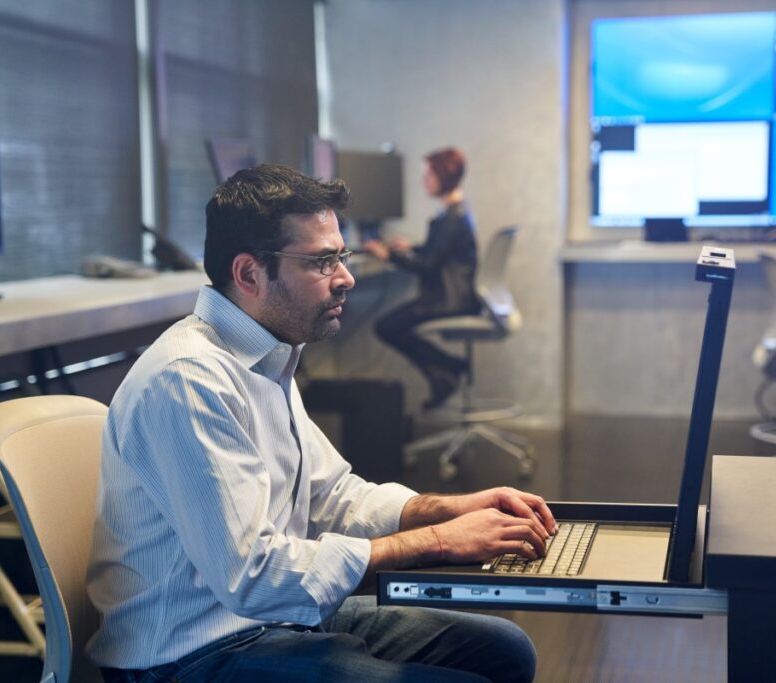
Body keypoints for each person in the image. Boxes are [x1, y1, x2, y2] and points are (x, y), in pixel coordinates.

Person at [86, 164, 556, 683]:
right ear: (249, 275)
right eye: (322, 261)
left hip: (272, 618)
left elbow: (332, 495)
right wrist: (437, 542)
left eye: (341, 256)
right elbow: (255, 575)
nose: (346, 278)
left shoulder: (269, 352)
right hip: (192, 653)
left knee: (505, 650)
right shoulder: (189, 380)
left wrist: (440, 508)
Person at [365, 147, 480, 410]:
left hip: (446, 301)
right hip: (454, 297)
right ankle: (445, 374)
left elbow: (427, 265)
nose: (424, 181)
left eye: (428, 175)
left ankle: (450, 367)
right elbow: (436, 253)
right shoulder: (455, 213)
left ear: (443, 176)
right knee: (391, 326)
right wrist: (410, 247)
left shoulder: (451, 217)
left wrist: (387, 255)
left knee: (386, 327)